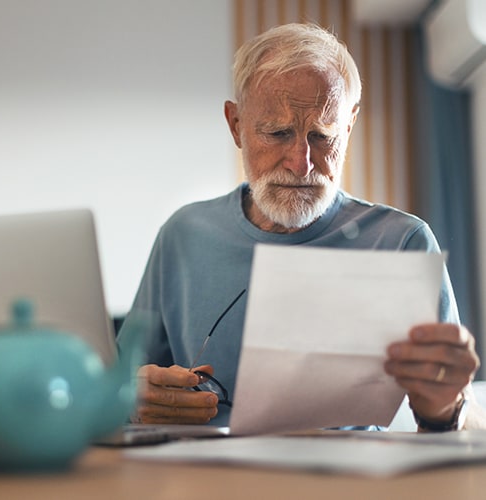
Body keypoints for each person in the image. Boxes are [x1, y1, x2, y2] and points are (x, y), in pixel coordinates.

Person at [118, 22, 484, 431]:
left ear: (348, 127)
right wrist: (131, 398)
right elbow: (113, 389)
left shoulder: (401, 242)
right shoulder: (183, 236)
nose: (300, 163)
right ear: (236, 125)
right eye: (278, 133)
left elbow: (463, 419)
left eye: (322, 136)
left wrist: (446, 408)